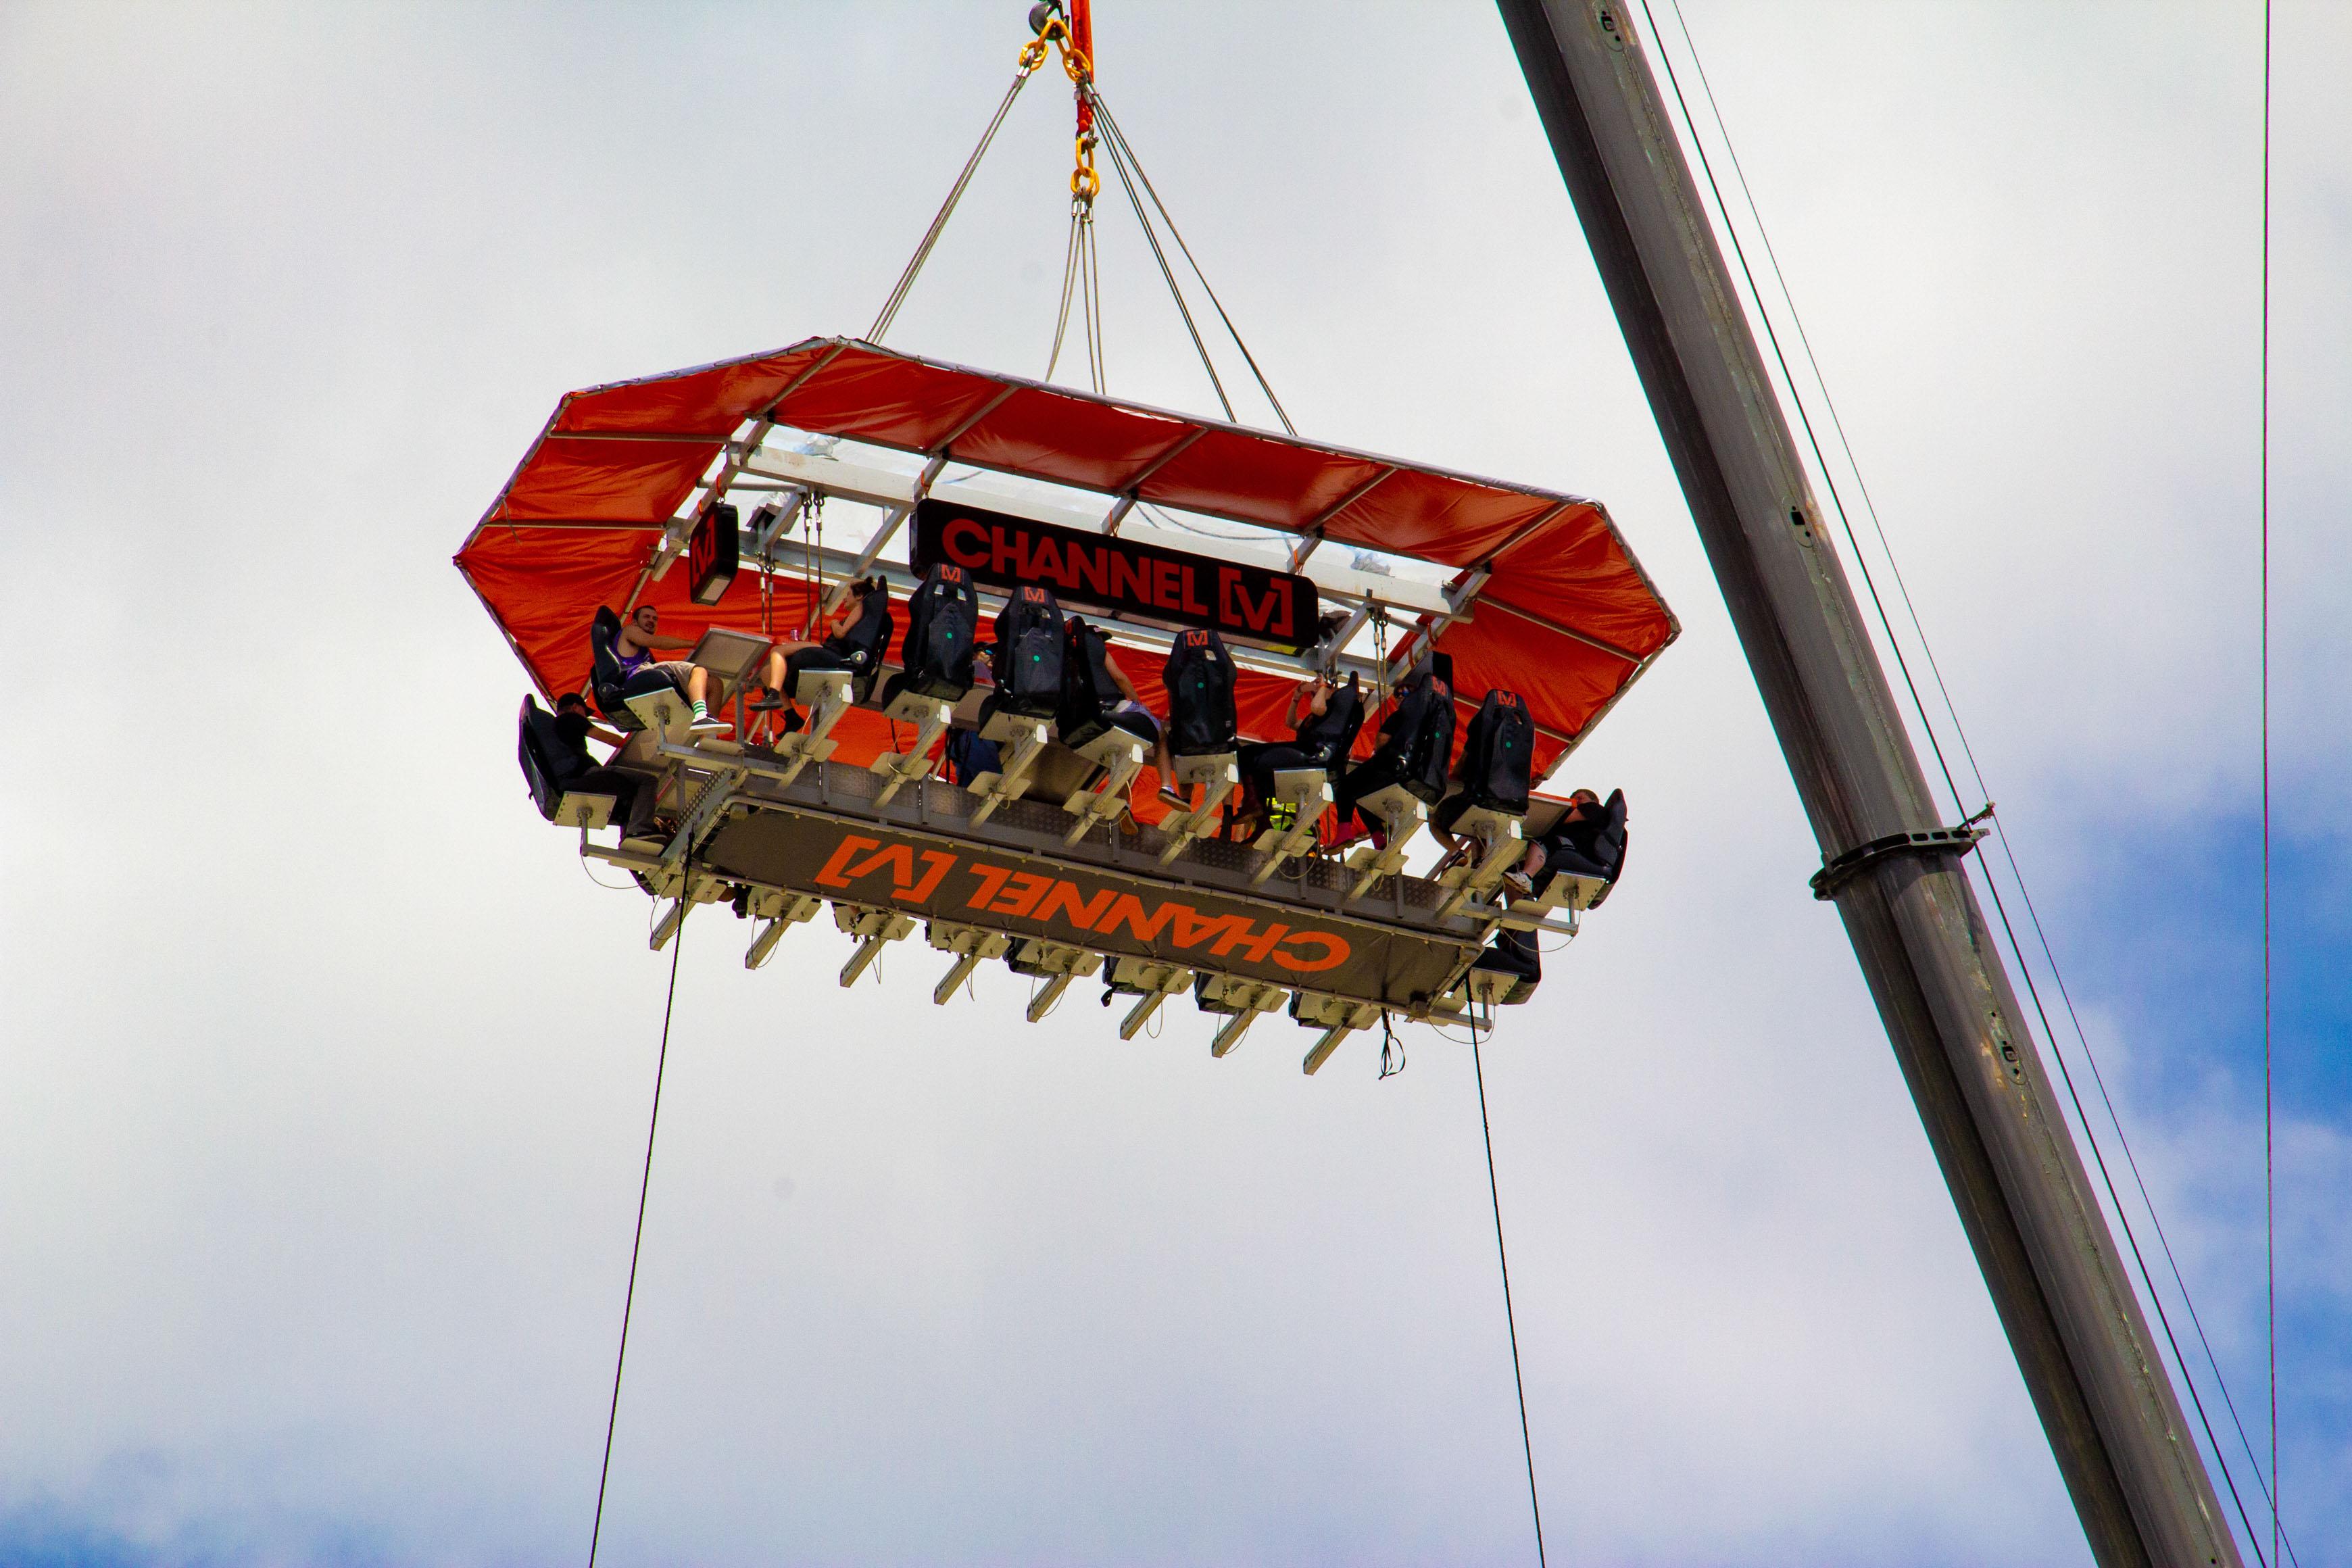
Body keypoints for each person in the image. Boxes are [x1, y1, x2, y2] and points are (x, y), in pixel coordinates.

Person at [752, 576, 891, 731]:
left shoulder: (861, 607)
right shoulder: (868, 617)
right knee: (767, 672)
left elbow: (840, 633)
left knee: (777, 650)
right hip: (832, 653)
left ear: (859, 596)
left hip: (833, 653)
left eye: (848, 594)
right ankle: (791, 716)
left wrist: (834, 623)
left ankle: (774, 694)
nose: (845, 599)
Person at [527, 693, 662, 841]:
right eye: (585, 712)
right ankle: (639, 830)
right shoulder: (570, 718)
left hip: (571, 780)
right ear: (575, 707)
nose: (585, 717)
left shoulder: (553, 731)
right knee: (648, 781)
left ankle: (629, 839)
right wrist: (649, 745)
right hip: (587, 774)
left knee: (627, 798)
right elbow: (610, 739)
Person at [610, 604, 728, 733]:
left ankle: (710, 733)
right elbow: (657, 642)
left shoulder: (642, 649)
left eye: (655, 619)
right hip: (638, 674)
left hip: (646, 671)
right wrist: (694, 644)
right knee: (698, 670)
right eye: (646, 617)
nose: (651, 620)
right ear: (634, 622)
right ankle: (701, 717)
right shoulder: (630, 630)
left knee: (715, 683)